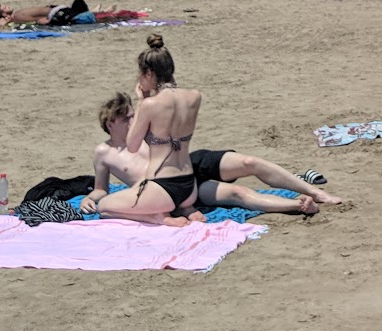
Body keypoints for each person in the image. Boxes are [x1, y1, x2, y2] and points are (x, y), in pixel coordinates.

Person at [89, 93, 341, 218]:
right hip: (168, 188)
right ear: (110, 123)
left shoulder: (142, 132)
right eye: (126, 118)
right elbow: (101, 188)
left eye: (133, 115)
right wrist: (91, 197)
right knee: (238, 194)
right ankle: (300, 206)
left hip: (190, 164)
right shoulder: (104, 153)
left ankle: (316, 192)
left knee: (249, 162)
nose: (133, 120)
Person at [86, 34, 202, 224]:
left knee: (105, 207)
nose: (139, 78)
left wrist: (142, 101)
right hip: (190, 186)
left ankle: (158, 218)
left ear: (149, 73)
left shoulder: (150, 105)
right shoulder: (195, 97)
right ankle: (187, 208)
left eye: (140, 73)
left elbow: (132, 145)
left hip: (163, 185)